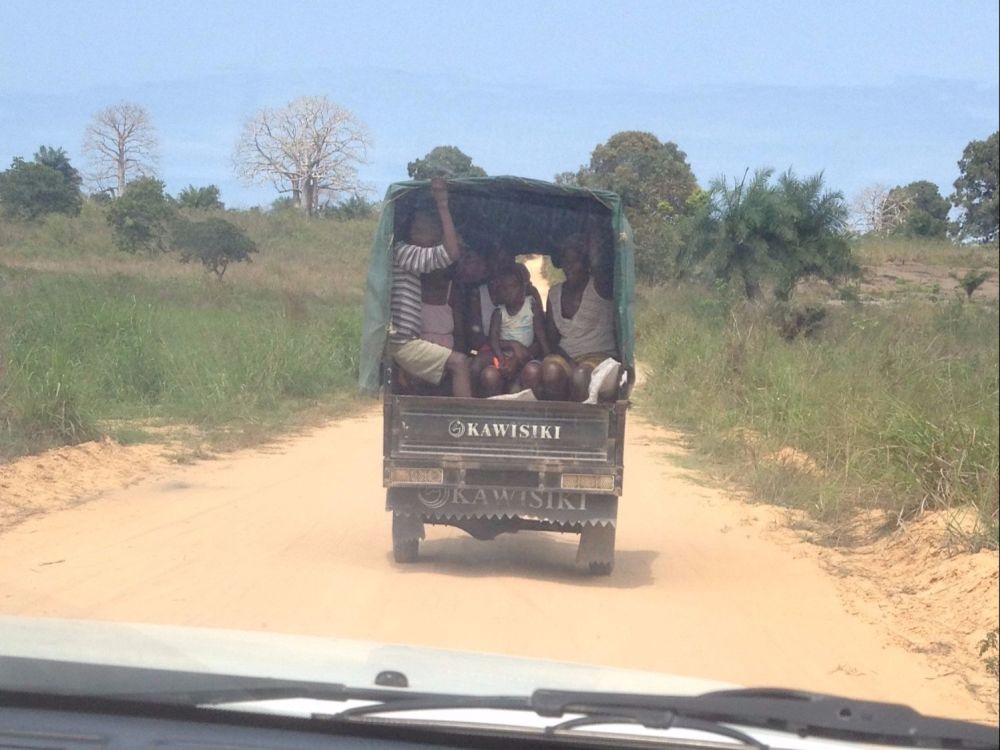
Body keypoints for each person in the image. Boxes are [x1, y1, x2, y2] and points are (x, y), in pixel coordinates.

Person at [388, 177, 472, 397]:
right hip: (402, 343)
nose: (433, 233)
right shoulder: (404, 253)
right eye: (426, 227)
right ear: (413, 231)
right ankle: (466, 426)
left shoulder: (408, 258)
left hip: (407, 341)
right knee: (460, 363)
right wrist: (443, 205)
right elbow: (451, 253)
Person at [539, 233, 620, 402]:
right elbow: (552, 340)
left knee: (581, 376)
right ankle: (556, 424)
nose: (570, 267)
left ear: (586, 263)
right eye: (566, 261)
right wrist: (568, 362)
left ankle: (578, 425)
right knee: (551, 371)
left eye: (575, 261)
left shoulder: (600, 286)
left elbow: (599, 264)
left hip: (599, 356)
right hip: (567, 356)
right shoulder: (554, 293)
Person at [472, 266, 549, 396]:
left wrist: (547, 355)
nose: (508, 292)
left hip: (526, 355)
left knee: (532, 371)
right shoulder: (499, 312)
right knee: (488, 374)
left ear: (523, 289)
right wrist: (502, 359)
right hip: (504, 355)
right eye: (504, 288)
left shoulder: (531, 306)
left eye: (513, 286)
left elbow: (540, 334)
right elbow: (493, 340)